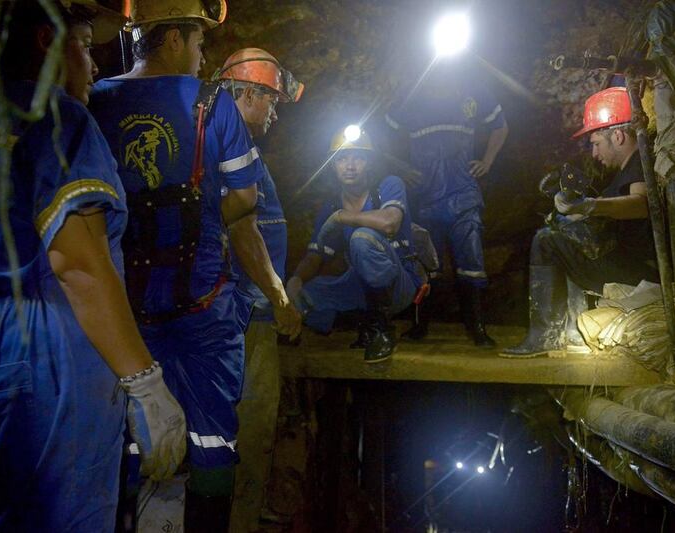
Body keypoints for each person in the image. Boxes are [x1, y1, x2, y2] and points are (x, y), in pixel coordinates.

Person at [0, 1, 185, 531]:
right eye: (82, 42)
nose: (95, 64)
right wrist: (144, 382)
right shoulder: (54, 115)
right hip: (47, 361)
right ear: (45, 41)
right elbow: (76, 260)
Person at [88, 1, 266, 529]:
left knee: (123, 440)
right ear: (172, 40)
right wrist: (203, 212)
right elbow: (246, 198)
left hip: (123, 315)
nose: (200, 55)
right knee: (214, 437)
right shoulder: (214, 103)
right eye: (198, 42)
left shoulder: (95, 102)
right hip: (202, 308)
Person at [212, 48, 303, 532]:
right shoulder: (230, 154)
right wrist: (280, 298)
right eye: (269, 100)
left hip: (244, 313)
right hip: (247, 319)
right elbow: (244, 232)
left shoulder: (235, 151)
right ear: (245, 94)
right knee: (249, 438)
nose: (273, 112)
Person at [501, 87, 659, 359]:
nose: (595, 153)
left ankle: (544, 336)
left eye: (596, 143)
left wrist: (590, 207)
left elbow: (641, 204)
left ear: (618, 136)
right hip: (632, 264)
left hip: (639, 273)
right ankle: (574, 331)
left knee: (546, 240)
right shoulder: (631, 167)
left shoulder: (640, 165)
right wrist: (575, 212)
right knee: (563, 234)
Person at [385, 60, 509, 347]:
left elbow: (500, 126)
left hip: (462, 194)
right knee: (425, 265)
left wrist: (488, 161)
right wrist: (401, 168)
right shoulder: (412, 95)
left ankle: (477, 327)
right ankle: (420, 325)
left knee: (471, 261)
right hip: (426, 196)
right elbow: (382, 136)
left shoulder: (474, 92)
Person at [286, 127, 422, 363]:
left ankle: (380, 330)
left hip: (399, 283)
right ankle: (359, 322)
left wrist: (343, 218)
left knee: (361, 238)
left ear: (368, 162)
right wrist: (296, 280)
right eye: (341, 159)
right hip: (360, 286)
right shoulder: (331, 206)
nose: (350, 166)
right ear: (332, 165)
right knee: (305, 295)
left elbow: (390, 222)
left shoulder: (388, 186)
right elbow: (315, 254)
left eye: (358, 158)